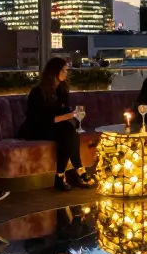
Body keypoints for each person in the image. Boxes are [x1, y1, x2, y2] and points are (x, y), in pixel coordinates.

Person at [19, 57, 95, 191]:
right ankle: (77, 171)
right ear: (54, 72)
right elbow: (38, 118)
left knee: (69, 132)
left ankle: (62, 175)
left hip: (54, 127)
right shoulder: (37, 92)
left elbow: (62, 110)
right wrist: (67, 116)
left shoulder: (61, 90)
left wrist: (70, 113)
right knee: (67, 134)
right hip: (35, 128)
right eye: (63, 70)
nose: (66, 73)